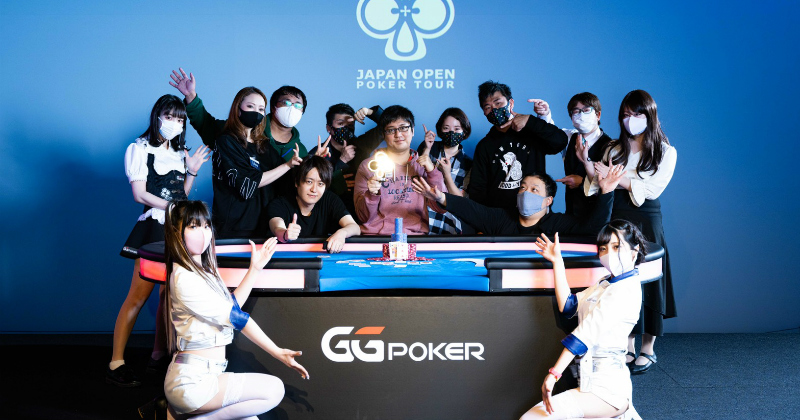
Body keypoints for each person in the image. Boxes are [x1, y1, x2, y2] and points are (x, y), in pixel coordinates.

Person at [153, 200, 308, 419]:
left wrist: (255, 269)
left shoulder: (205, 270)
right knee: (274, 390)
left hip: (210, 375)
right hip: (192, 382)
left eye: (206, 225)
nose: (203, 232)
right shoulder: (183, 278)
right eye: (193, 226)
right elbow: (236, 318)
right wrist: (277, 352)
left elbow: (230, 308)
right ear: (177, 233)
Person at [110, 94, 210, 387]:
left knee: (170, 297)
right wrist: (173, 207)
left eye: (180, 119)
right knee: (137, 297)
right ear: (157, 117)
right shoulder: (139, 149)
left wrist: (191, 171)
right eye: (170, 117)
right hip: (154, 227)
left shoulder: (179, 152)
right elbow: (139, 194)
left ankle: (159, 355)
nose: (175, 123)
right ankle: (116, 362)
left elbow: (182, 195)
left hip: (178, 229)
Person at [580, 89, 677, 374]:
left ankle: (648, 348)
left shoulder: (666, 151)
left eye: (637, 114)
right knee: (621, 279)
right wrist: (589, 167)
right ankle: (627, 345)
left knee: (648, 279)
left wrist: (618, 177)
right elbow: (599, 185)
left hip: (646, 218)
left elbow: (651, 189)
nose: (630, 120)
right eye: (625, 114)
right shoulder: (614, 149)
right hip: (618, 216)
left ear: (650, 115)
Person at [519, 221, 647, 419]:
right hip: (590, 383)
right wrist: (557, 261)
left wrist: (554, 374)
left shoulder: (625, 290)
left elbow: (584, 335)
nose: (609, 253)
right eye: (603, 248)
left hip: (608, 391)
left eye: (616, 247)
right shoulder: (607, 283)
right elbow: (569, 305)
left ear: (634, 251)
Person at [169, 69, 326, 198]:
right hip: (235, 215)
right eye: (286, 103)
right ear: (273, 107)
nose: (292, 109)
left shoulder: (299, 150)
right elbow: (206, 124)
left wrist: (315, 164)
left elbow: (299, 185)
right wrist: (191, 96)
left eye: (298, 106)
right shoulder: (236, 133)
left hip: (271, 216)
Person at [412, 167, 623, 237]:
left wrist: (606, 192)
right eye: (522, 187)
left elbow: (593, 229)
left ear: (548, 200)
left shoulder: (558, 224)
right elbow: (473, 210)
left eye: (534, 190)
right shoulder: (502, 218)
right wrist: (441, 198)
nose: (525, 193)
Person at [210, 87, 301, 239]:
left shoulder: (263, 146)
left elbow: (286, 179)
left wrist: (313, 162)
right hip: (233, 229)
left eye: (260, 109)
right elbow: (247, 183)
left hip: (263, 228)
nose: (256, 112)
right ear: (238, 108)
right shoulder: (226, 142)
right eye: (250, 106)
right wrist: (287, 165)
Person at [468, 81, 568, 211]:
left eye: (498, 103)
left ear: (511, 103)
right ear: (484, 112)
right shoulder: (484, 146)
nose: (494, 110)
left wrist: (530, 121)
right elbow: (477, 190)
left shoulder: (532, 132)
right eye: (488, 107)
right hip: (500, 217)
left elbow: (560, 142)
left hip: (536, 213)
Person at [353, 105, 445, 235]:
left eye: (403, 128)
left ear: (412, 131)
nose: (398, 134)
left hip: (415, 238)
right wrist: (371, 194)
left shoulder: (425, 167)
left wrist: (432, 172)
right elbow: (363, 217)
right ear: (384, 135)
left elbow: (442, 208)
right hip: (375, 238)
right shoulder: (369, 166)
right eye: (391, 130)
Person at [267, 156, 361, 253]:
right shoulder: (279, 204)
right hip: (284, 256)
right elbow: (277, 228)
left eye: (320, 184)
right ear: (297, 182)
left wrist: (342, 233)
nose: (314, 189)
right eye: (309, 182)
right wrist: (286, 234)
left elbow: (355, 227)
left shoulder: (330, 199)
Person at [307, 103, 384, 221]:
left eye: (350, 124)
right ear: (329, 128)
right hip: (330, 215)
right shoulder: (318, 152)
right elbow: (309, 189)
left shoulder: (362, 144)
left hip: (362, 212)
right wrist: (341, 162)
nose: (346, 128)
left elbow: (388, 125)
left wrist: (369, 112)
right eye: (340, 124)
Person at [551, 93, 613, 219]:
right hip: (571, 215)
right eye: (576, 111)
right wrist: (544, 113)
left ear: (598, 115)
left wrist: (582, 182)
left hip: (599, 217)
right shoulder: (569, 138)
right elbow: (550, 133)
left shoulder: (611, 146)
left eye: (586, 110)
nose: (581, 115)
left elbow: (613, 187)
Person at [415, 107, 473, 235]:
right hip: (422, 211)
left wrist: (447, 174)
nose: (451, 132)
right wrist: (427, 149)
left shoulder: (468, 164)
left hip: (449, 217)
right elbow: (416, 174)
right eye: (446, 128)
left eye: (457, 129)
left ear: (464, 131)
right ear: (440, 130)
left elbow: (460, 201)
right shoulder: (430, 147)